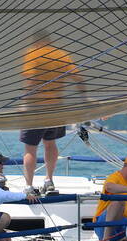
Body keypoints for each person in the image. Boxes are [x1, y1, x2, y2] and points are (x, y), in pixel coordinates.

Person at [20, 31, 85, 194]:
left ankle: (29, 186)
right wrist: (85, 99)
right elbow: (78, 78)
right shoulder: (61, 55)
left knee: (30, 148)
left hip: (35, 109)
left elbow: (31, 80)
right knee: (50, 144)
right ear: (50, 41)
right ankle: (49, 180)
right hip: (56, 109)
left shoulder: (33, 54)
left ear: (36, 42)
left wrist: (24, 102)